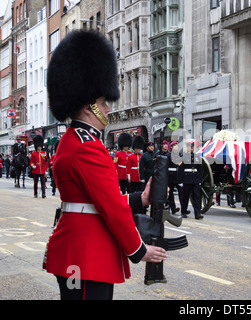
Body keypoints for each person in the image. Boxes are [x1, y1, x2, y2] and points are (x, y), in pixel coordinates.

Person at [44, 30, 167, 300]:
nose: (108, 109)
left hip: (79, 247)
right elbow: (110, 206)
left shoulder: (73, 140)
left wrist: (140, 198)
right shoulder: (87, 146)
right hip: (85, 254)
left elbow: (99, 197)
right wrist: (139, 250)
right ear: (89, 106)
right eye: (103, 103)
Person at [179, 139, 203, 219]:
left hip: (195, 179)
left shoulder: (197, 157)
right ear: (187, 147)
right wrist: (180, 181)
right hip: (186, 179)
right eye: (190, 147)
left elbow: (200, 170)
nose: (191, 149)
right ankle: (183, 212)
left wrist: (199, 180)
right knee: (185, 197)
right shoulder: (183, 157)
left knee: (196, 197)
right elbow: (181, 169)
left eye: (192, 147)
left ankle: (197, 214)